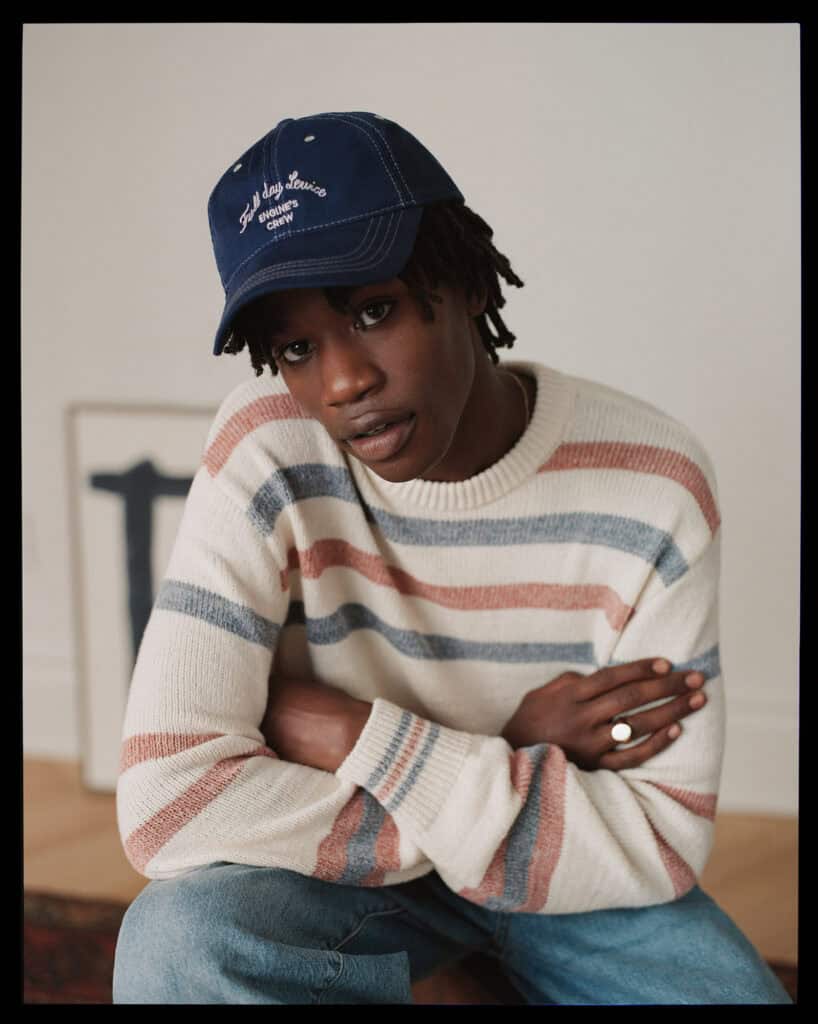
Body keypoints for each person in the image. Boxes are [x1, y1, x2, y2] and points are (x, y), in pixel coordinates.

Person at [112, 111, 791, 1004]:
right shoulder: (268, 448)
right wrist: (503, 748)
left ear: (467, 281)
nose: (344, 381)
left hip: (578, 897)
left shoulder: (650, 482)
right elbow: (170, 803)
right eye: (297, 348)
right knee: (177, 944)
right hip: (361, 875)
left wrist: (355, 733)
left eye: (374, 310)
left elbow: (659, 839)